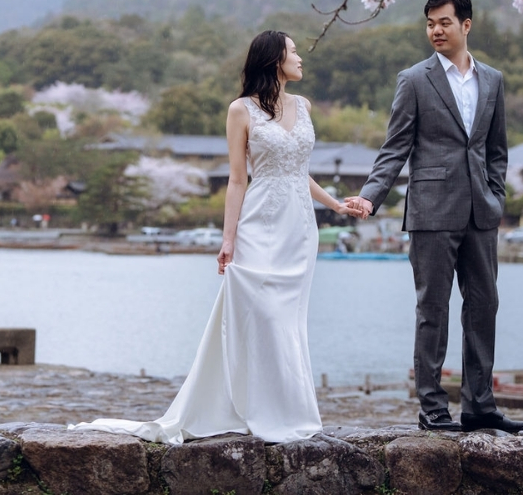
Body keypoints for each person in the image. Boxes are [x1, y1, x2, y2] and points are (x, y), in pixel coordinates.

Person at [70, 30, 360, 444]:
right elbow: (238, 179)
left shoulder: (304, 106)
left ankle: (289, 410)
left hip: (299, 229)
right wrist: (228, 239)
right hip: (259, 223)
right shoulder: (240, 110)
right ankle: (247, 405)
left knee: (288, 318)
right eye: (294, 52)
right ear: (276, 59)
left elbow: (298, 169)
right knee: (258, 312)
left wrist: (335, 205)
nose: (300, 58)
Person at [345, 0, 523, 434]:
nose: (435, 30)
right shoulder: (413, 80)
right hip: (430, 212)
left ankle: (479, 405)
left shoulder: (493, 80)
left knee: (484, 305)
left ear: (466, 25)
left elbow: (496, 149)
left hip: (481, 213)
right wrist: (372, 196)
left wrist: (496, 193)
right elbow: (395, 149)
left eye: (444, 22)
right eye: (430, 23)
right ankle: (432, 408)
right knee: (433, 309)